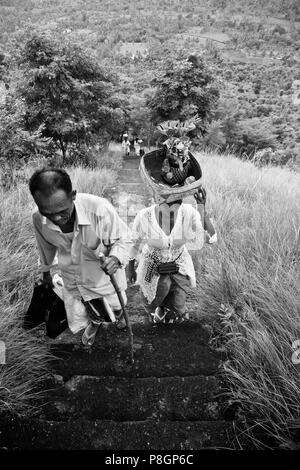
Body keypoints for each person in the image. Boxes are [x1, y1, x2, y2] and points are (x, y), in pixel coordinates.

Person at [29, 168, 132, 345]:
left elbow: (125, 239)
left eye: (62, 210)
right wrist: (45, 274)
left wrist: (115, 259)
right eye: (47, 212)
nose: (56, 218)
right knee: (87, 306)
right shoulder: (38, 219)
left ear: (73, 195)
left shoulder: (100, 210)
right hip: (73, 277)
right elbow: (44, 247)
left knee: (115, 305)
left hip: (103, 277)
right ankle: (95, 322)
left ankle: (119, 314)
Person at [128, 194, 205, 324]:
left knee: (178, 301)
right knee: (153, 298)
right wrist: (130, 269)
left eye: (176, 201)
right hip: (152, 265)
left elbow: (203, 235)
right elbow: (133, 243)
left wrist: (202, 206)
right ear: (157, 199)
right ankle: (158, 309)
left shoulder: (188, 212)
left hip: (179, 263)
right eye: (166, 201)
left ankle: (172, 311)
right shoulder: (144, 215)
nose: (171, 208)